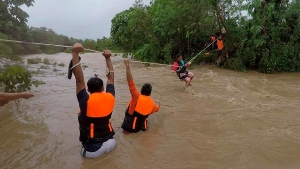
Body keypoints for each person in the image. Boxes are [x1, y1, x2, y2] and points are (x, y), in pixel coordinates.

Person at [68, 43, 116, 159]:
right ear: (103, 88)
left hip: (93, 150)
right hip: (111, 143)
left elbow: (79, 81)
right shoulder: (110, 96)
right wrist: (108, 58)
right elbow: (111, 77)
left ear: (88, 90)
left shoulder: (86, 100)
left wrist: (75, 54)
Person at [121, 59, 160, 133]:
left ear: (141, 91)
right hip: (139, 130)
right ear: (150, 94)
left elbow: (130, 82)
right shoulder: (152, 104)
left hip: (127, 130)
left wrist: (127, 66)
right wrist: (158, 102)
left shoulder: (136, 96)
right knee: (145, 120)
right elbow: (157, 108)